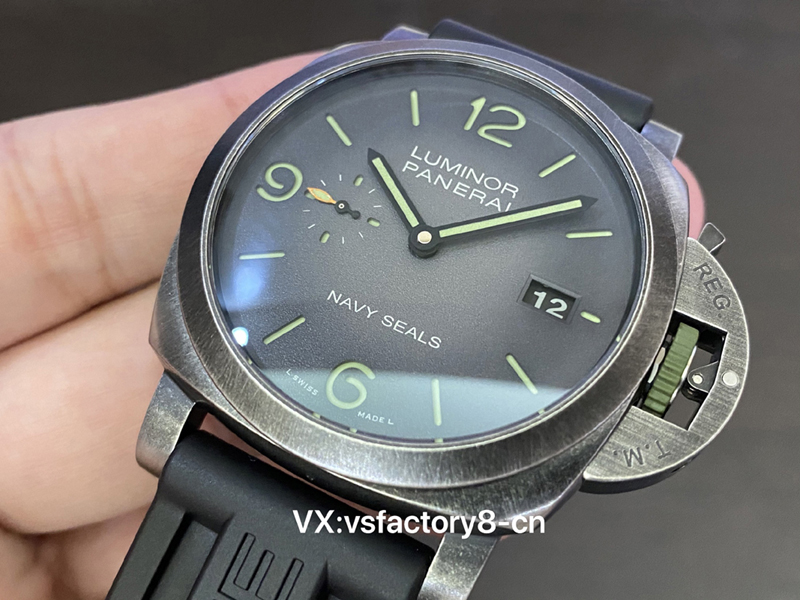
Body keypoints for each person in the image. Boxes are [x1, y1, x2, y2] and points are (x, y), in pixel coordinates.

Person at [0, 50, 704, 599]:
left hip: (361, 495)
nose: (423, 240)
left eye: (426, 239)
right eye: (421, 231)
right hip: (232, 402)